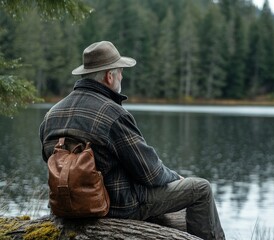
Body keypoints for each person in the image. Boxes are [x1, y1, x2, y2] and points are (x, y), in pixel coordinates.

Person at [39, 41, 225, 240]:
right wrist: (176, 178)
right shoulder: (113, 114)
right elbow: (150, 173)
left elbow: (48, 158)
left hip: (65, 206)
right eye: (120, 72)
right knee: (201, 189)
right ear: (110, 76)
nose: (122, 76)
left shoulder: (52, 114)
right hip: (117, 207)